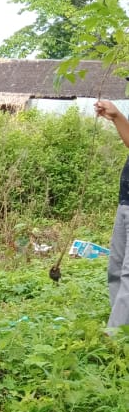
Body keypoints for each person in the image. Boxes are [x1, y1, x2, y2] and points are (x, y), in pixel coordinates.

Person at [94, 100, 129, 331]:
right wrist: (116, 117)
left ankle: (115, 336)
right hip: (126, 200)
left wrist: (116, 116)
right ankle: (123, 329)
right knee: (116, 269)